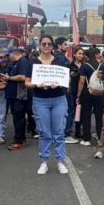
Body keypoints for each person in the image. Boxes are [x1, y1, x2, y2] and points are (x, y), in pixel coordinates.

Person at [25, 35, 70, 175]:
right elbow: (27, 82)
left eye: (49, 44)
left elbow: (67, 79)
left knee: (59, 132)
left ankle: (60, 161)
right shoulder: (33, 63)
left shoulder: (60, 60)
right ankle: (44, 161)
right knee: (44, 132)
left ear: (52, 46)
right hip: (40, 100)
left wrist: (61, 83)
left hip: (58, 99)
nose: (46, 46)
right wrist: (36, 84)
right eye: (43, 44)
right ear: (39, 45)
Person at [5, 48, 30, 150]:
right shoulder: (13, 63)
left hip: (20, 95)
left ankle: (19, 140)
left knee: (19, 117)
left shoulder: (23, 62)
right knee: (16, 117)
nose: (8, 58)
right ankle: (20, 138)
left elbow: (23, 77)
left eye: (8, 55)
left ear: (14, 54)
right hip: (13, 95)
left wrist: (9, 78)